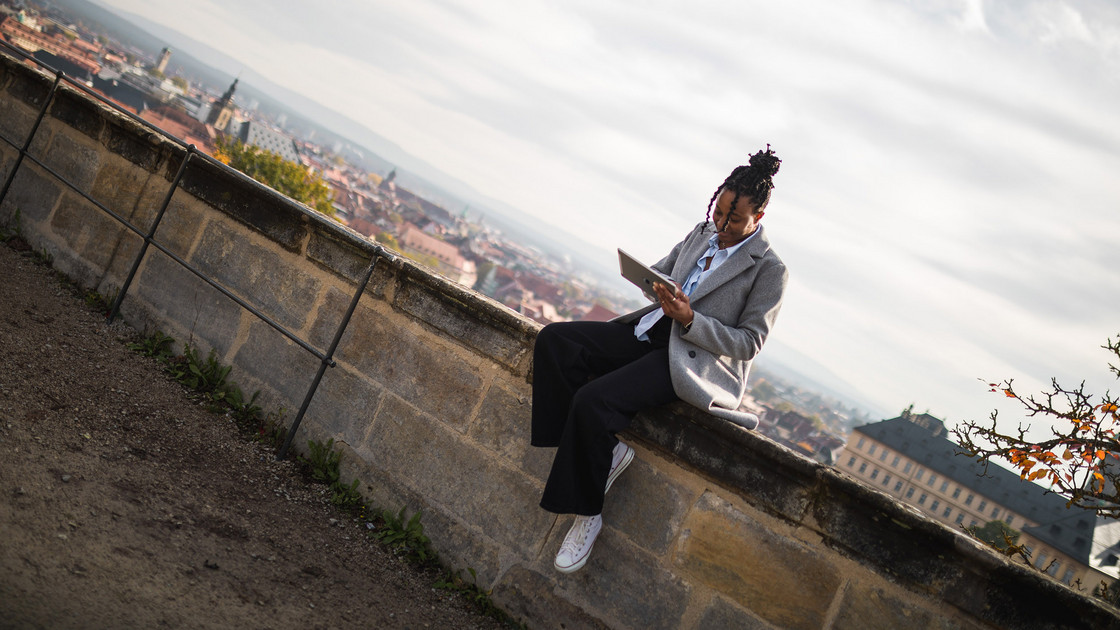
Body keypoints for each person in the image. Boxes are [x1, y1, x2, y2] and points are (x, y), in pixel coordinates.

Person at [530, 146, 788, 573]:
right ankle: (595, 451)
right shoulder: (701, 231)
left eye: (734, 219)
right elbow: (663, 271)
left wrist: (690, 317)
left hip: (688, 358)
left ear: (758, 218)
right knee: (556, 341)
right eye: (719, 211)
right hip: (648, 331)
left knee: (593, 401)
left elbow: (749, 342)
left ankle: (588, 513)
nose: (721, 224)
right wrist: (652, 282)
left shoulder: (769, 270)